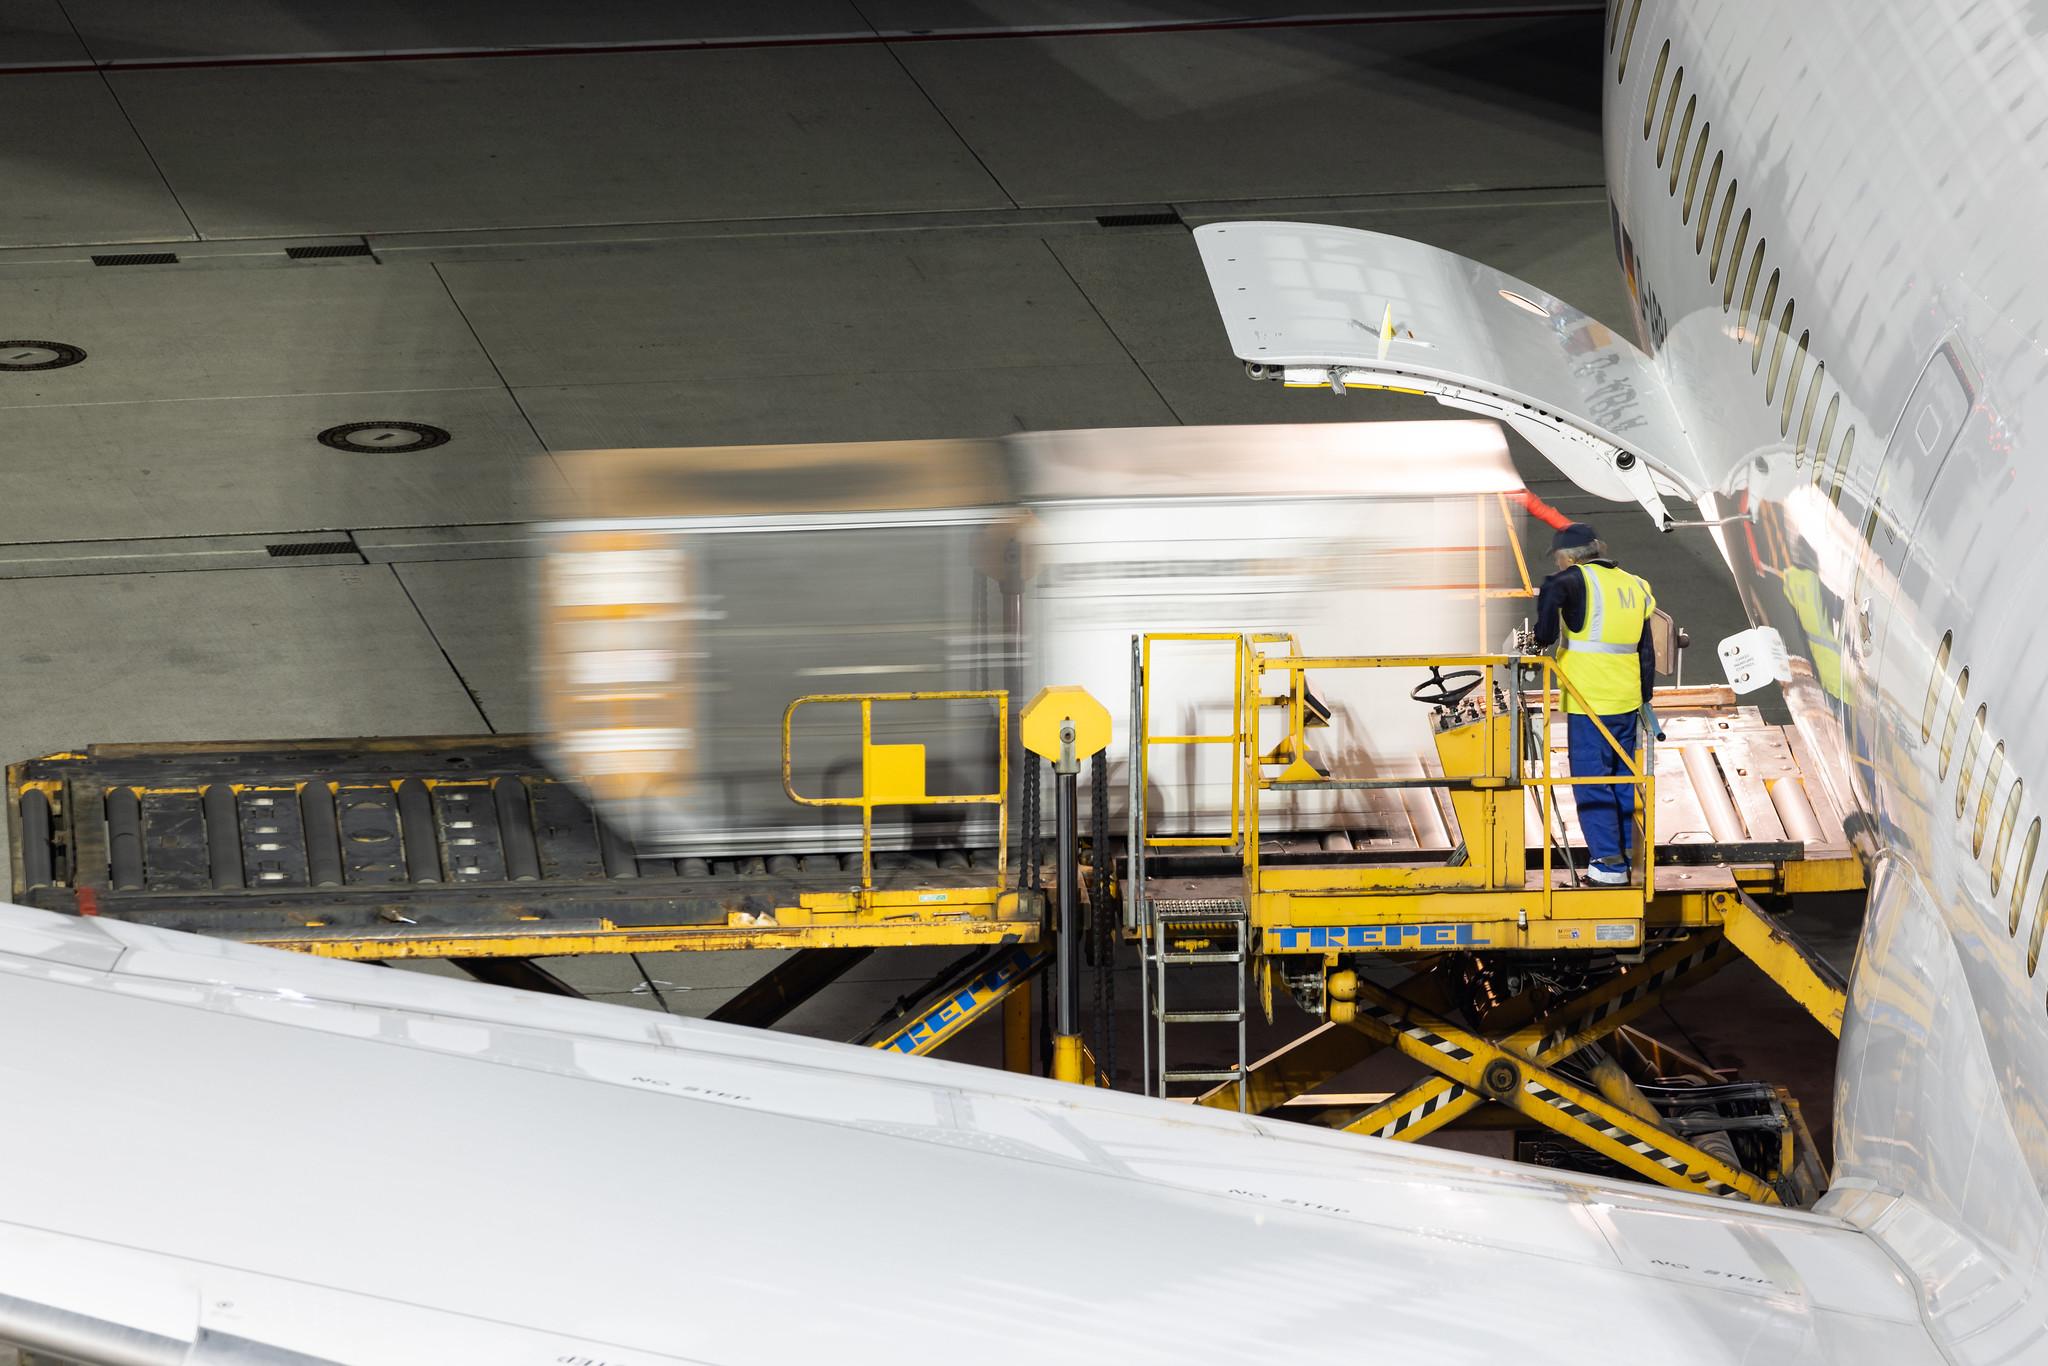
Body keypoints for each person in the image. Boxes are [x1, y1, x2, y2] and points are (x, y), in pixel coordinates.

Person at [1531, 522, 1656, 885]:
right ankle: (1625, 858)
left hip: (1588, 701)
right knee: (1621, 780)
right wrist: (1644, 699)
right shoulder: (1635, 585)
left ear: (1567, 557)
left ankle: (1608, 865)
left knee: (1590, 780)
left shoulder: (1568, 581)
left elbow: (1545, 635)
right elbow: (1645, 650)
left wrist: (1546, 603)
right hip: (1626, 701)